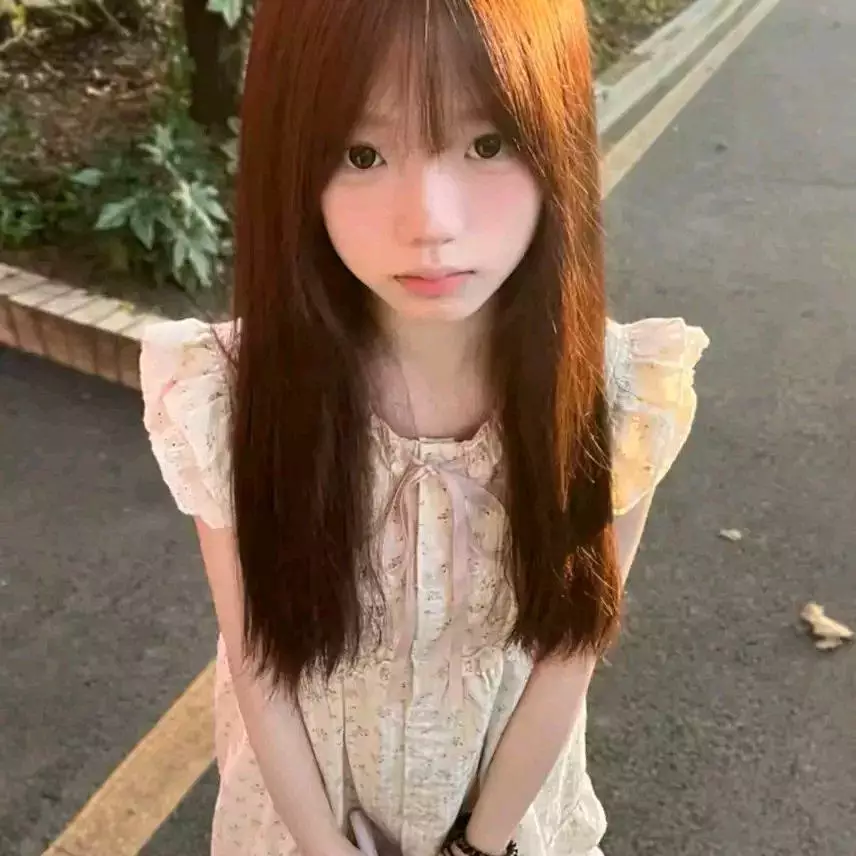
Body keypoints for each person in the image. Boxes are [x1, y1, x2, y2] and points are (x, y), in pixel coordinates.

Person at [140, 0, 710, 855]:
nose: (431, 222)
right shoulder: (229, 392)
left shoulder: (617, 391)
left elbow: (568, 655)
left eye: (488, 143)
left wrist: (479, 846)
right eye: (362, 154)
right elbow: (258, 657)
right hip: (298, 819)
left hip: (509, 818)